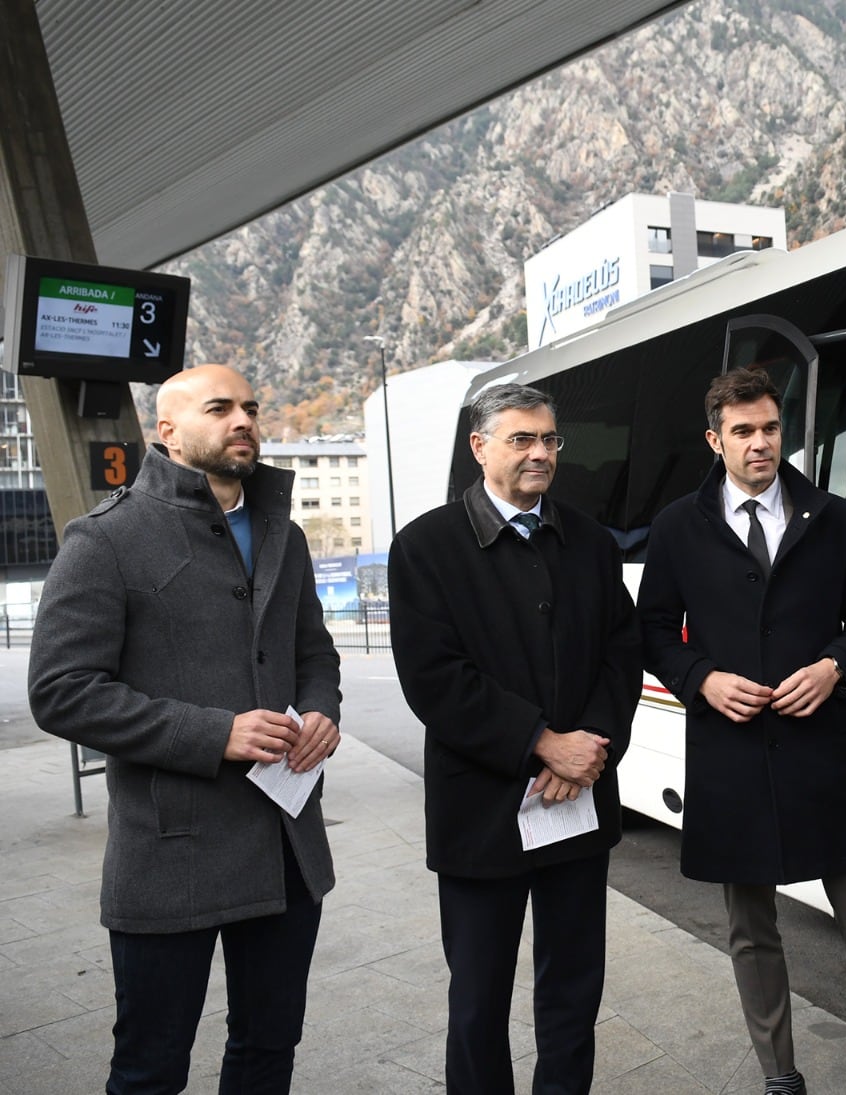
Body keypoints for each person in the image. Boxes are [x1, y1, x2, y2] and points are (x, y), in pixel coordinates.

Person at [28, 363, 342, 1095]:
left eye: (252, 407)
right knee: (149, 1068)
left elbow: (313, 650)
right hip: (169, 853)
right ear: (166, 430)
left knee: (268, 1049)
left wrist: (322, 708)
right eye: (220, 407)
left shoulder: (283, 537)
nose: (243, 420)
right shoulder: (104, 539)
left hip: (285, 845)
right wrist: (214, 733)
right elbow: (60, 691)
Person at [637, 367, 846, 1095]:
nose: (760, 442)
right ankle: (779, 1076)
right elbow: (650, 630)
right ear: (716, 439)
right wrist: (702, 676)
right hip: (731, 753)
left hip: (821, 752)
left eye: (770, 427)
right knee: (751, 925)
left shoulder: (831, 518)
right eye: (743, 431)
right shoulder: (679, 525)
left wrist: (834, 666)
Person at [388, 383, 641, 1095]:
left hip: (577, 804)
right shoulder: (426, 548)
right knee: (478, 998)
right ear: (479, 447)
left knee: (572, 992)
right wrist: (539, 741)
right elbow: (435, 680)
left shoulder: (590, 542)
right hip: (482, 813)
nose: (539, 453)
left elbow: (621, 654)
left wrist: (588, 744)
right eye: (521, 439)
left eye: (549, 439)